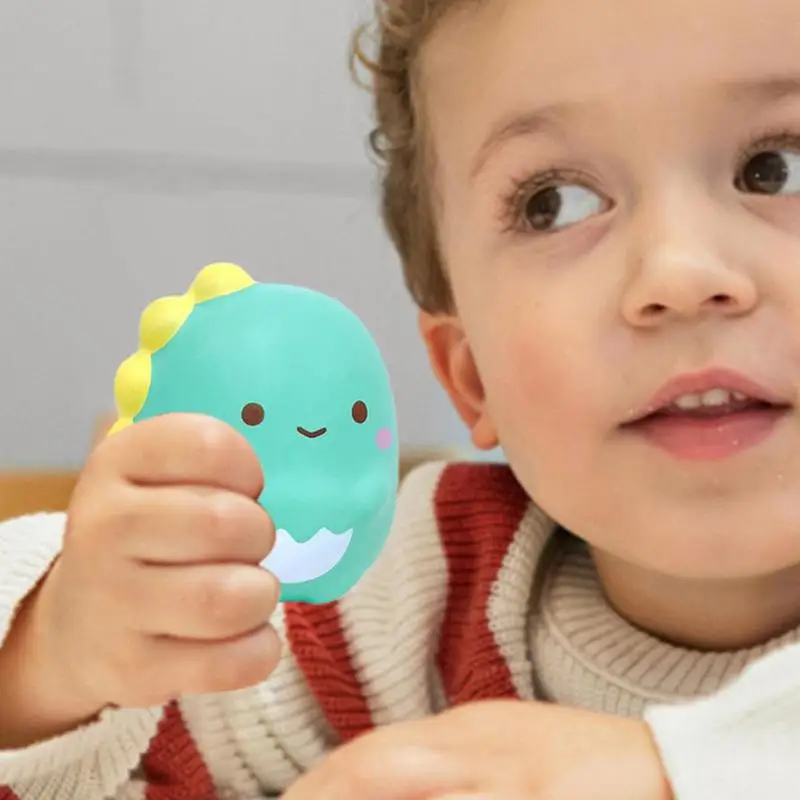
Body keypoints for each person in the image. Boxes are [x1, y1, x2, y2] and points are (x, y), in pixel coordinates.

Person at [1, 0, 799, 797]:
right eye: (554, 203)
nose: (680, 274)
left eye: (778, 167)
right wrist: (54, 661)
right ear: (473, 378)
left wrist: (680, 772)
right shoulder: (407, 604)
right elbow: (114, 760)